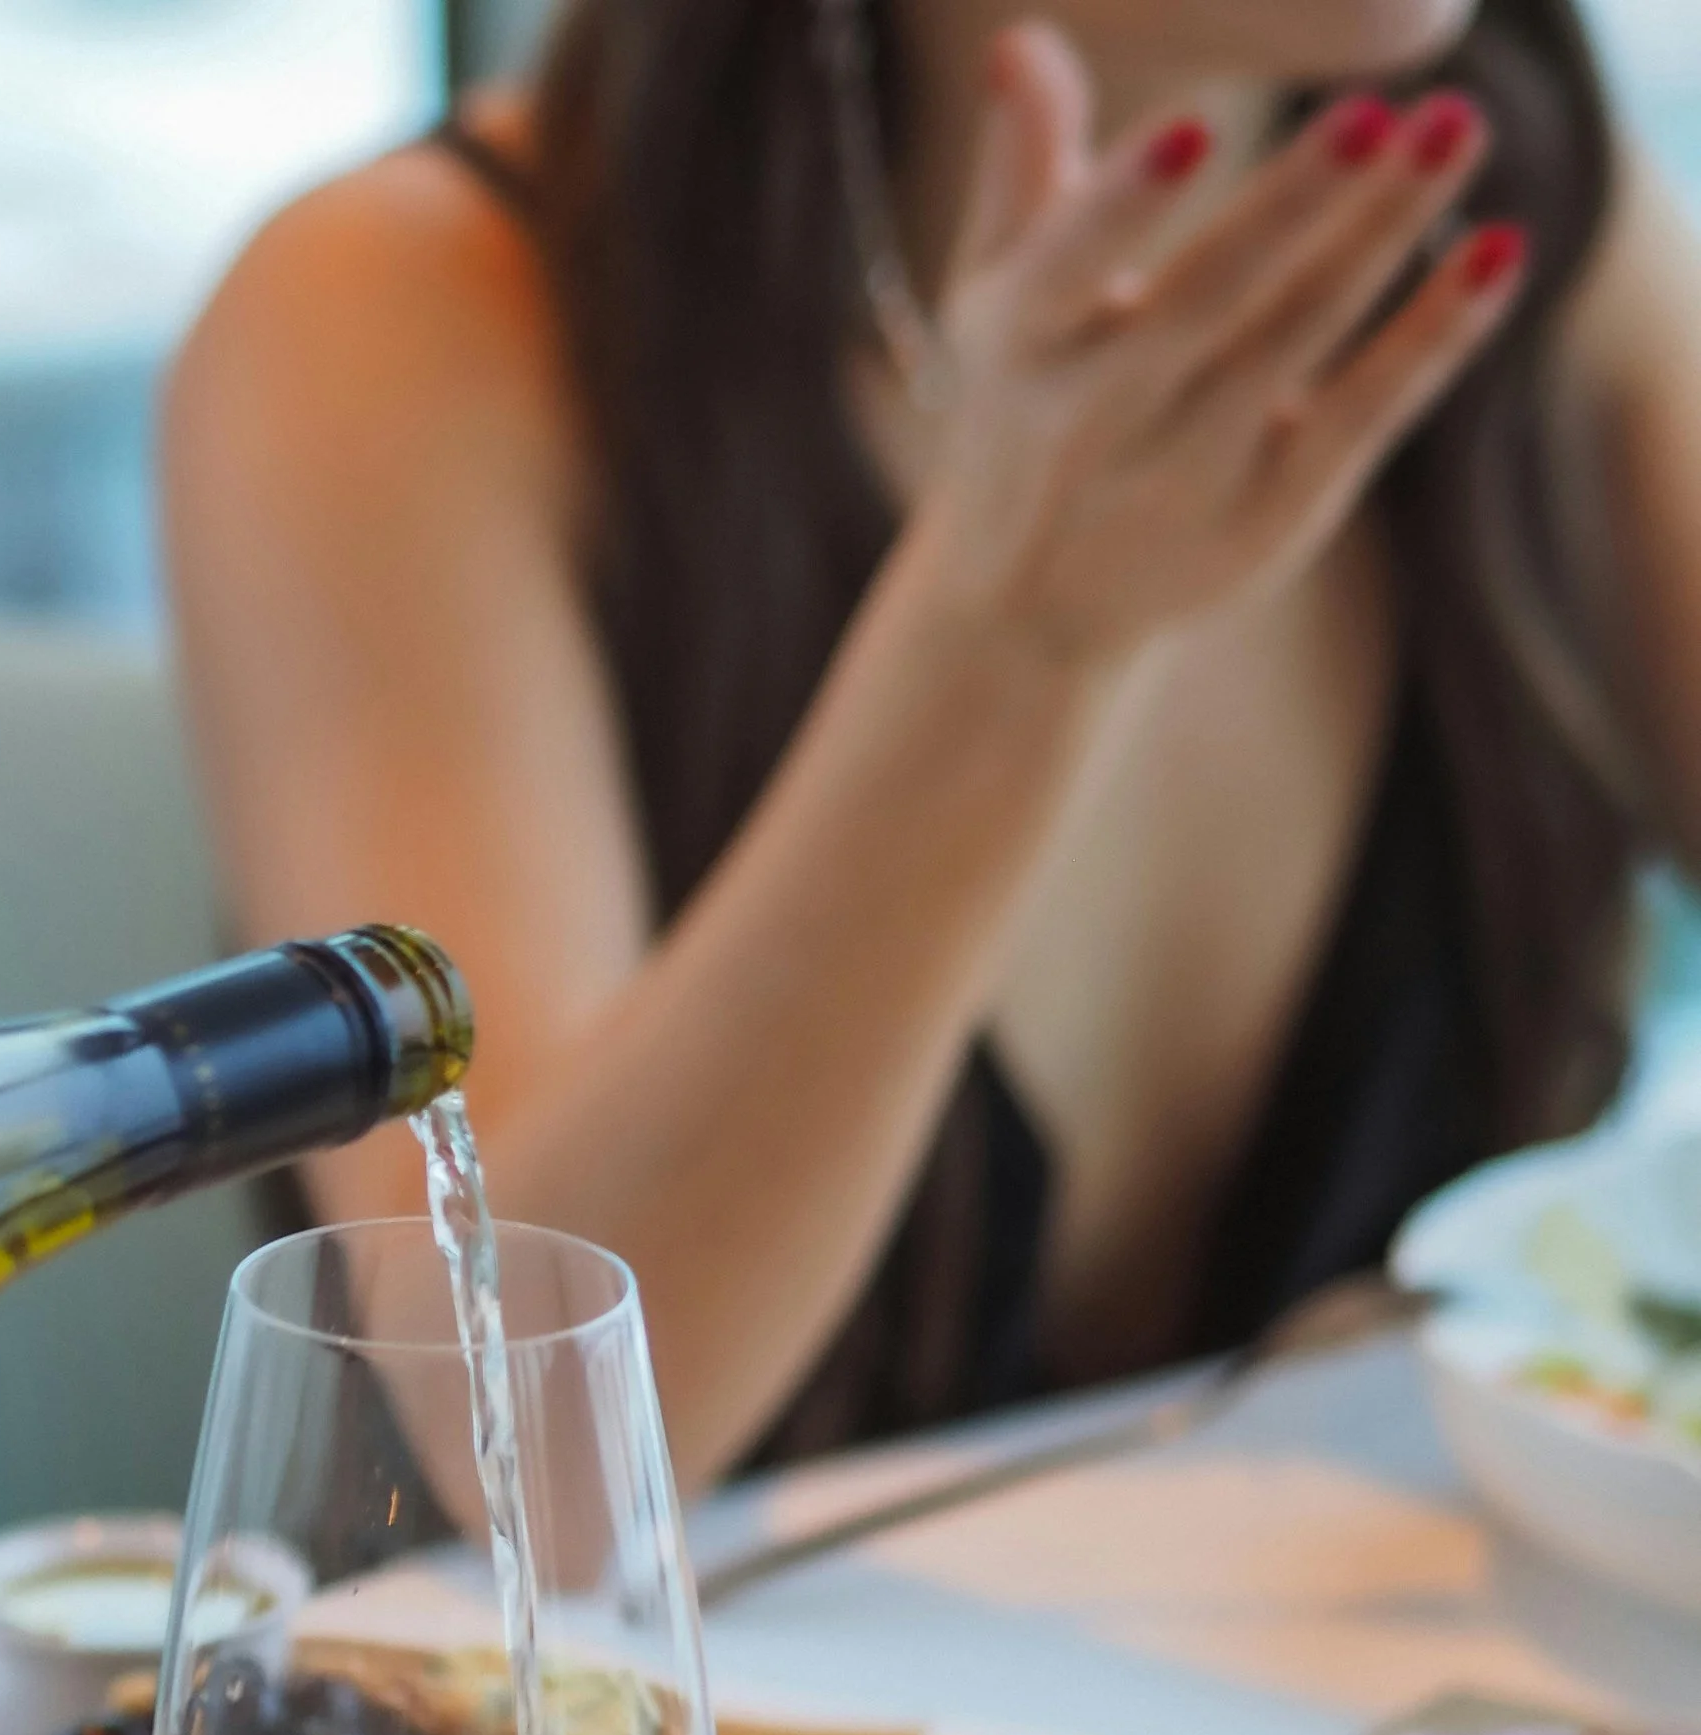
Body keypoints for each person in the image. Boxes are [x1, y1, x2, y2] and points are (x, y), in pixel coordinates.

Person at [163, 2, 1701, 1487]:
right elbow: (530, 1439)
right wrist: (1014, 636)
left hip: (1405, 1731)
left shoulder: (1537, 231)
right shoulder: (406, 311)